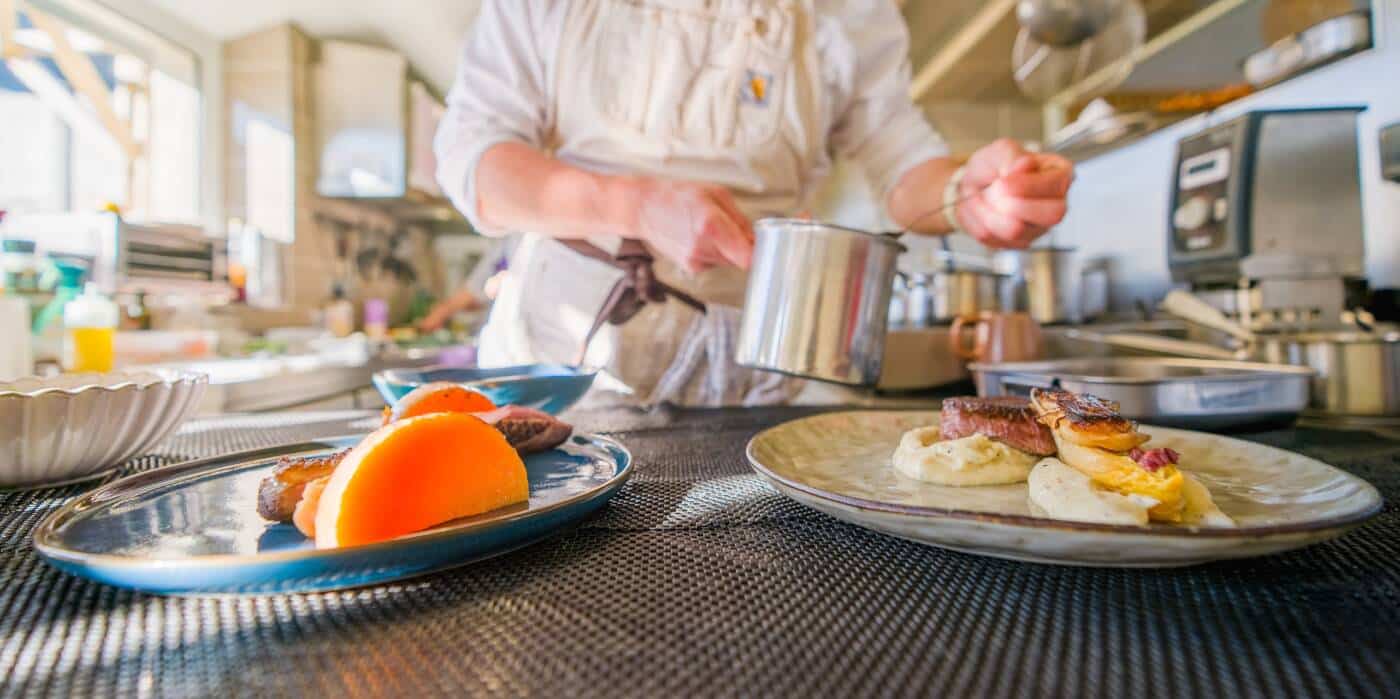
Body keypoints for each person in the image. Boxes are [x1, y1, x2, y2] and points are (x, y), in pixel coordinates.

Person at [435, 0, 1074, 407]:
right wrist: (636, 205)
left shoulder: (847, 12)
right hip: (568, 361)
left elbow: (902, 160)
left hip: (762, 357)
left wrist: (967, 195)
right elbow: (477, 165)